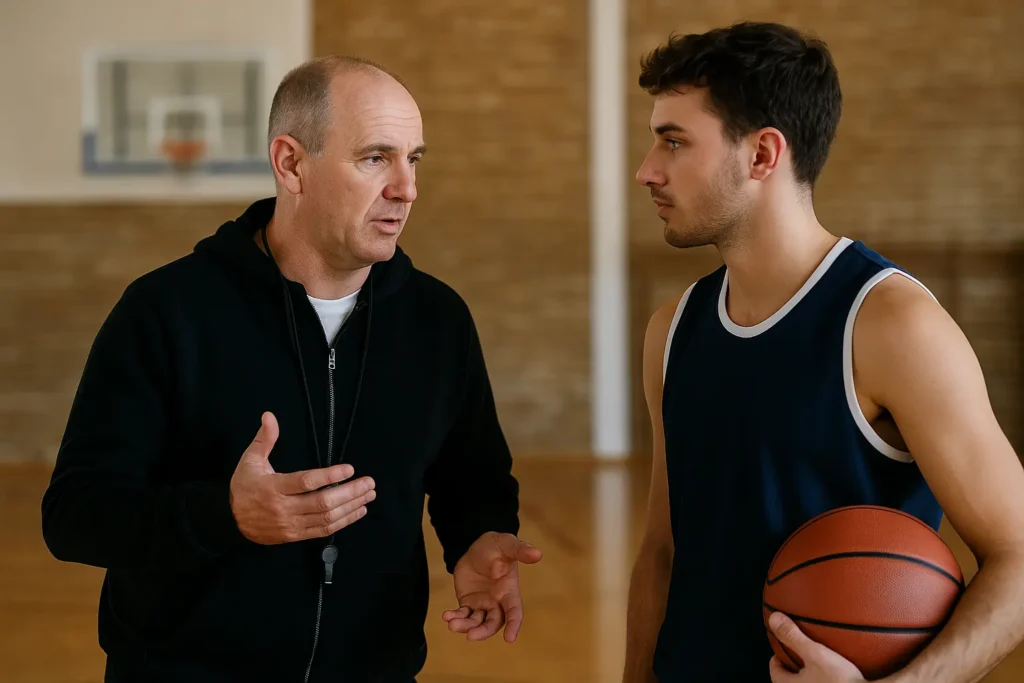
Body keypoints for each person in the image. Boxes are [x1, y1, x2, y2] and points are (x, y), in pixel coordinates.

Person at [41, 55, 542, 683]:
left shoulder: (437, 319)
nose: (406, 189)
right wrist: (224, 515)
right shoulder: (166, 312)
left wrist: (477, 539)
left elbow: (472, 477)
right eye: (374, 158)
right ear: (291, 163)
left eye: (413, 159)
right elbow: (75, 518)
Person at [622, 21, 1024, 683]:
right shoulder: (673, 328)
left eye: (673, 141)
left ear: (763, 154)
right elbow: (662, 551)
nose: (647, 170)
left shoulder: (891, 324)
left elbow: (1016, 555)